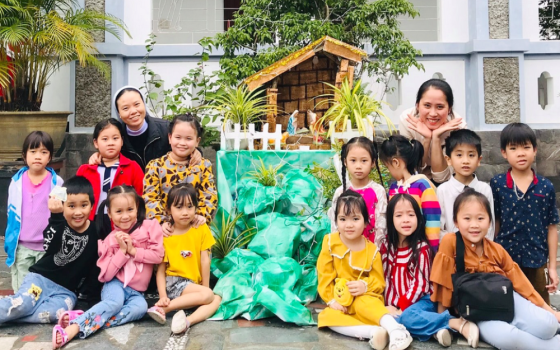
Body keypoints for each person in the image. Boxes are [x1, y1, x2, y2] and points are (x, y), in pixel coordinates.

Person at [431, 188, 560, 349]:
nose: (474, 225)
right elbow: (442, 281)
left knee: (549, 326)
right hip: (478, 311)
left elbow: (522, 283)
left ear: (489, 222)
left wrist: (551, 312)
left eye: (480, 218)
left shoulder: (496, 249)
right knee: (508, 338)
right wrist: (442, 320)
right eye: (467, 218)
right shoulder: (451, 242)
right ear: (456, 222)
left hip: (506, 300)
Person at [52, 185, 164, 348]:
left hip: (137, 291)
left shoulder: (150, 227)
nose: (125, 216)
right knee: (115, 303)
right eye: (119, 212)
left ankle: (83, 318)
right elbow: (106, 276)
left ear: (137, 208)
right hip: (115, 285)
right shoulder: (109, 240)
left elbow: (157, 256)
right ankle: (72, 329)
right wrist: (123, 252)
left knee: (140, 308)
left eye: (130, 209)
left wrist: (133, 251)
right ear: (110, 214)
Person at [317, 190, 413, 350]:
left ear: (365, 221)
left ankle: (396, 330)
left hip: (365, 297)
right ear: (336, 221)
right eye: (342, 219)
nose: (349, 225)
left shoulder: (372, 251)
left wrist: (365, 286)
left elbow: (379, 282)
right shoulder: (329, 243)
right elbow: (324, 275)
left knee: (364, 304)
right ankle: (375, 332)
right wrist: (332, 300)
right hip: (342, 301)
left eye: (355, 219)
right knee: (328, 317)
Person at [381, 194, 479, 347]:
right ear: (391, 220)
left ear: (418, 219)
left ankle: (455, 323)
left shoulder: (422, 248)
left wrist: (400, 308)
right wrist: (386, 305)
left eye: (411, 214)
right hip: (396, 305)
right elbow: (384, 277)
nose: (405, 220)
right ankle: (437, 332)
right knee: (383, 315)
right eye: (399, 215)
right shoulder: (386, 247)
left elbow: (420, 285)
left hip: (422, 301)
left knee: (406, 318)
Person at [0, 176, 99, 325]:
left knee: (54, 315)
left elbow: (94, 266)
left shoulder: (96, 232)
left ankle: (11, 316)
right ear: (63, 206)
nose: (78, 212)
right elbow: (49, 245)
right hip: (41, 280)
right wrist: (56, 217)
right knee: (22, 305)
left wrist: (93, 301)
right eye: (71, 206)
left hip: (66, 292)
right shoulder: (59, 224)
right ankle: (10, 310)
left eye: (83, 205)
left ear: (92, 206)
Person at [491, 123, 559, 305]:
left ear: (535, 150)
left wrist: (552, 267)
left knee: (540, 307)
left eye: (526, 147)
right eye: (513, 148)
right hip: (506, 260)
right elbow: (494, 222)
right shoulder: (497, 184)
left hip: (537, 260)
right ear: (504, 152)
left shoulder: (546, 187)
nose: (520, 153)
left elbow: (552, 227)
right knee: (508, 306)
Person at [146, 183, 221, 333]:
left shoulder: (200, 229)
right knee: (208, 295)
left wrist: (204, 288)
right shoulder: (166, 236)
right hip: (174, 283)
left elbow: (205, 260)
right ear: (169, 210)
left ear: (196, 208)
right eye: (179, 207)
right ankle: (163, 308)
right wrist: (162, 296)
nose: (185, 212)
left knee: (216, 299)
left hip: (193, 284)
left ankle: (186, 322)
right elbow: (160, 271)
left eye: (190, 207)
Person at [4, 131, 64, 290]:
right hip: (22, 247)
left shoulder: (57, 182)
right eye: (33, 151)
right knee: (21, 291)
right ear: (24, 155)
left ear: (50, 157)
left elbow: (62, 213)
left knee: (42, 290)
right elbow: (11, 215)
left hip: (46, 248)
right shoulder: (16, 182)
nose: (38, 156)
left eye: (44, 152)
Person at [88, 86, 201, 169]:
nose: (133, 111)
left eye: (137, 104)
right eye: (126, 108)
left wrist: (196, 152)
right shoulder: (117, 135)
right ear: (119, 114)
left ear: (144, 105)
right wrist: (99, 155)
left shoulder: (165, 128)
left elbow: (185, 145)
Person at [143, 114, 217, 228]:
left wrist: (202, 215)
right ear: (169, 138)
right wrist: (162, 222)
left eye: (188, 138)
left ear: (197, 141)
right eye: (178, 137)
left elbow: (209, 194)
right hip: (165, 231)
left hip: (194, 227)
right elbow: (150, 198)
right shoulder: (155, 166)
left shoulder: (203, 166)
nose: (182, 143)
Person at [77, 118, 144, 235]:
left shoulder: (132, 167)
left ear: (122, 141)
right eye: (105, 139)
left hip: (122, 222)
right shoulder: (86, 170)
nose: (111, 143)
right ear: (96, 143)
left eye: (115, 138)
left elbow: (141, 196)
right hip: (92, 220)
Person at [379, 135, 441, 252]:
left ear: (396, 163)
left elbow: (432, 219)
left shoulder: (422, 186)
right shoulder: (394, 189)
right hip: (399, 249)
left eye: (387, 167)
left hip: (421, 249)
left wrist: (432, 250)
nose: (389, 171)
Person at [399, 79, 466, 184]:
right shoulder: (407, 120)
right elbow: (411, 171)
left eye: (440, 107)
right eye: (427, 105)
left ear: (449, 109)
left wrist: (436, 138)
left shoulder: (458, 127)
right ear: (417, 105)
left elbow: (441, 178)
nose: (433, 113)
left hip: (448, 182)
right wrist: (427, 139)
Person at [437, 129, 494, 240]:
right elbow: (438, 228)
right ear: (448, 159)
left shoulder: (485, 189)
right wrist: (454, 244)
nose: (465, 161)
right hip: (453, 251)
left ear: (479, 160)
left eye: (471, 155)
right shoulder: (443, 190)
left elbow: (490, 226)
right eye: (459, 155)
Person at [329, 136, 387, 245]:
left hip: (371, 251)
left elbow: (382, 227)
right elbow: (335, 225)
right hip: (345, 252)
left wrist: (375, 251)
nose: (358, 166)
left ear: (373, 162)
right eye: (353, 160)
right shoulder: (340, 192)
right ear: (345, 162)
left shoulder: (378, 191)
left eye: (364, 160)